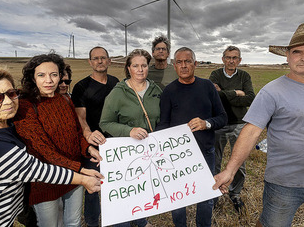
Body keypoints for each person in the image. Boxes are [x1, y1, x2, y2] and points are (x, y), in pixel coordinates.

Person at [213, 22, 304, 227]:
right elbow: (251, 132)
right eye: (297, 52)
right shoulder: (272, 91)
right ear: (288, 56)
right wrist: (230, 170)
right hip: (284, 184)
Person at [0, 68, 103, 227]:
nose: (8, 101)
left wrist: (86, 148)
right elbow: (37, 170)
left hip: (3, 217)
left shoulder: (5, 127)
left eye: (11, 93)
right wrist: (83, 177)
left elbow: (75, 132)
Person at [13, 53, 102, 227]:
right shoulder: (25, 106)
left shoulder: (65, 100)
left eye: (54, 75)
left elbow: (76, 133)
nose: (49, 80)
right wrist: (80, 170)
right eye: (41, 75)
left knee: (73, 222)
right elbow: (44, 150)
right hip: (46, 180)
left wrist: (88, 149)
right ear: (32, 77)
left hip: (74, 178)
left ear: (60, 76)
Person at [158, 47, 228, 227]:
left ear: (195, 64)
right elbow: (163, 125)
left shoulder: (207, 87)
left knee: (206, 197)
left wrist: (207, 123)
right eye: (179, 62)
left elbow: (222, 117)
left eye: (187, 61)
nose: (183, 66)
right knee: (178, 199)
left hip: (205, 152)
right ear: (174, 66)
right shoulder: (169, 91)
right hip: (178, 156)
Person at [100, 49, 162, 227]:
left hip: (149, 151)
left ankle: (141, 220)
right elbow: (105, 123)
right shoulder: (118, 93)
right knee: (126, 190)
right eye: (135, 66)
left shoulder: (156, 90)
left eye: (144, 65)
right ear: (128, 68)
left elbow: (162, 117)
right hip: (126, 152)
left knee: (143, 188)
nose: (140, 69)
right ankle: (123, 222)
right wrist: (129, 131)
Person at [71, 46, 119, 227]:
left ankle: (118, 218)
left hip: (115, 143)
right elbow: (80, 118)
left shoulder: (115, 82)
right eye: (95, 58)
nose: (99, 61)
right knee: (93, 186)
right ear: (90, 62)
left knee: (116, 183)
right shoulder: (81, 87)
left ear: (109, 60)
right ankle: (92, 222)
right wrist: (88, 134)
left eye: (103, 57)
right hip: (94, 145)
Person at [209, 45, 255, 211]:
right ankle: (213, 195)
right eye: (228, 57)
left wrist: (225, 93)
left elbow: (250, 98)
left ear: (239, 60)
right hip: (219, 123)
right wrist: (237, 92)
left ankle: (235, 194)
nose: (231, 61)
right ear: (223, 59)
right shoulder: (215, 74)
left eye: (235, 58)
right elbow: (214, 97)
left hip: (239, 123)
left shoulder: (244, 75)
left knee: (239, 163)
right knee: (215, 161)